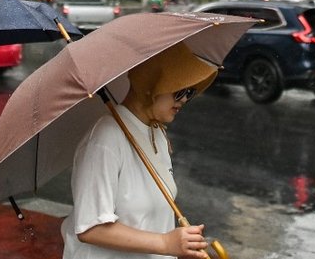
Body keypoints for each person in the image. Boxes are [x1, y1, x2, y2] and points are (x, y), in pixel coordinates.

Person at [61, 43, 219, 259]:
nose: (184, 99)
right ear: (151, 86)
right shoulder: (105, 139)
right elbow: (90, 227)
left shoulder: (156, 133)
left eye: (190, 92)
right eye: (179, 90)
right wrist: (165, 242)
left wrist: (181, 244)